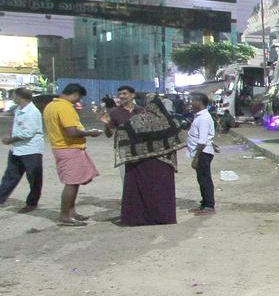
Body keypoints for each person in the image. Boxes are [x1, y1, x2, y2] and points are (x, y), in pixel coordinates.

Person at [101, 86, 180, 226]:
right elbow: (175, 137)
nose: (122, 96)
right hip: (132, 155)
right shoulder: (115, 112)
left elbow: (126, 131)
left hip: (142, 159)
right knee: (134, 186)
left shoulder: (141, 112)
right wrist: (107, 125)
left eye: (124, 93)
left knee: (140, 187)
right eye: (119, 94)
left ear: (132, 95)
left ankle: (139, 216)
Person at [43, 83, 103, 226]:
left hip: (61, 147)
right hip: (68, 148)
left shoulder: (51, 106)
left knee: (74, 183)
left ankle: (71, 212)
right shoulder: (64, 107)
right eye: (79, 98)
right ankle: (65, 216)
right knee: (71, 183)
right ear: (75, 94)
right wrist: (90, 133)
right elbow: (72, 131)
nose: (78, 101)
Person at [0, 87, 44, 213]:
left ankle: (32, 203)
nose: (13, 98)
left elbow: (28, 133)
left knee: (34, 179)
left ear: (20, 97)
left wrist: (10, 140)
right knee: (10, 176)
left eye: (14, 95)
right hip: (17, 150)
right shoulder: (19, 110)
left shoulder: (32, 112)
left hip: (31, 151)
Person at [186, 92, 216, 215]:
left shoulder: (203, 118)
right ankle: (204, 204)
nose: (191, 103)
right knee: (201, 179)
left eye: (193, 100)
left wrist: (196, 158)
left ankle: (209, 206)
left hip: (203, 153)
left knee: (205, 180)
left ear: (200, 102)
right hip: (202, 151)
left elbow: (202, 140)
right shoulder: (199, 116)